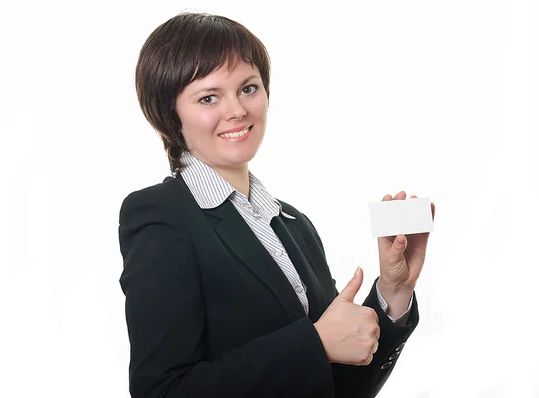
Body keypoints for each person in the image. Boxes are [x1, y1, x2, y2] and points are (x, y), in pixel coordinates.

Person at [118, 12, 435, 398]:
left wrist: (393, 291)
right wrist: (314, 343)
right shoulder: (160, 216)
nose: (237, 110)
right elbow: (161, 392)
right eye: (208, 97)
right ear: (170, 115)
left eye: (248, 88)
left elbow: (340, 387)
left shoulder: (293, 224)